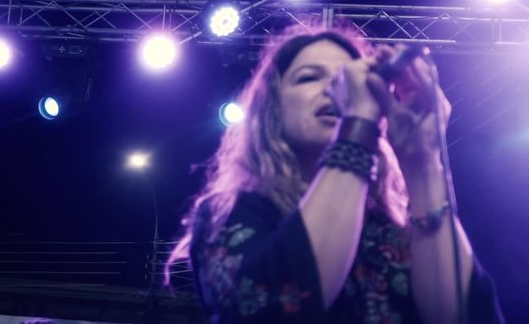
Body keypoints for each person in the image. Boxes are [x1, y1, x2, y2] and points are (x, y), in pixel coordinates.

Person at [166, 24, 504, 323]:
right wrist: (356, 123)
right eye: (309, 77)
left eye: (345, 77)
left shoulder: (394, 228)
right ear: (272, 111)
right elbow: (274, 306)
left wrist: (422, 161)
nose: (334, 89)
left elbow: (468, 317)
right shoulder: (229, 214)